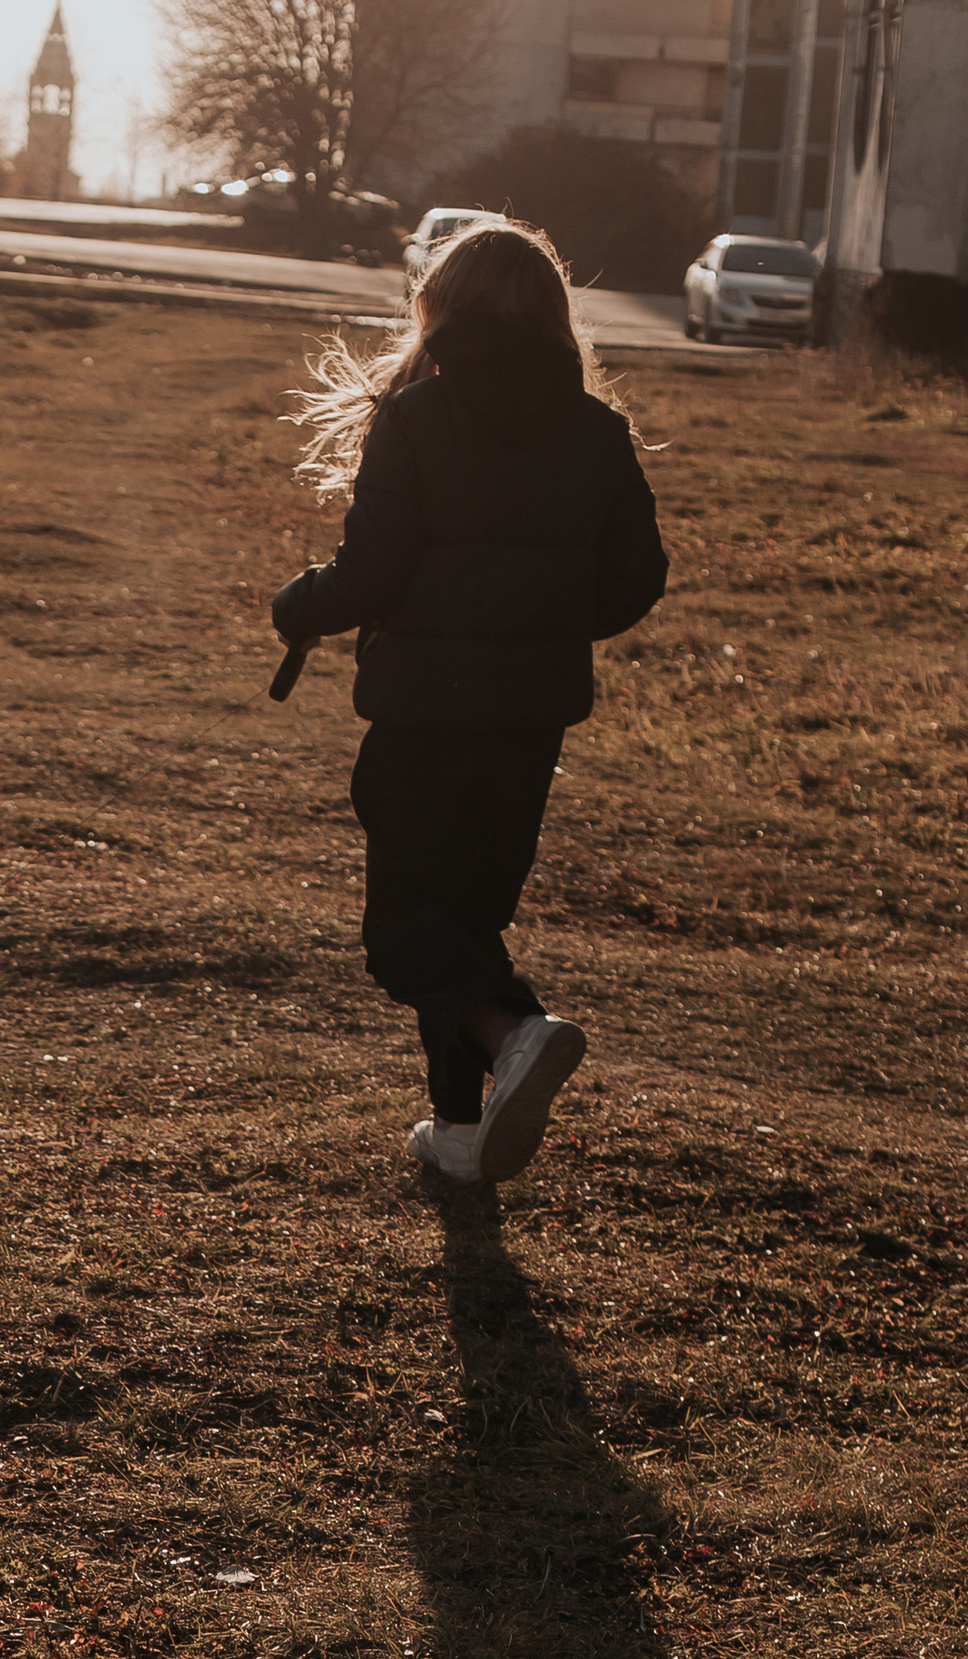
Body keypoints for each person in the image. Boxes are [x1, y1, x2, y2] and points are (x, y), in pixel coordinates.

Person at [269, 218, 669, 1185]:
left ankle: (518, 1032)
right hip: (530, 723)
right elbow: (637, 576)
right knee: (463, 923)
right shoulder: (599, 432)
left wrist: (296, 606)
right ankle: (457, 1128)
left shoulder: (415, 422)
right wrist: (544, 622)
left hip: (422, 715)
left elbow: (371, 576)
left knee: (407, 934)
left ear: (439, 308)